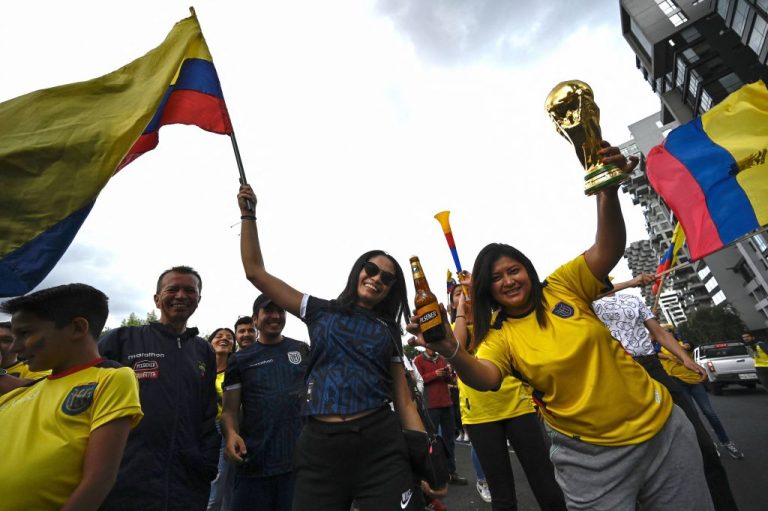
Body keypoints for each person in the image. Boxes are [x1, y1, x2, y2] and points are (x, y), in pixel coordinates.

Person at [409, 144, 715, 511]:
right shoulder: (499, 336)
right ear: (486, 289)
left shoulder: (562, 285)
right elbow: (485, 376)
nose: (508, 281)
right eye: (496, 278)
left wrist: (607, 192)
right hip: (591, 459)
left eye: (513, 270)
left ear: (528, 269)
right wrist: (450, 349)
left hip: (664, 432)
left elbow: (608, 248)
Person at [237, 184, 426, 511]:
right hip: (319, 448)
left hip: (379, 444)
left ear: (392, 290)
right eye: (371, 269)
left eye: (387, 278)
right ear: (358, 271)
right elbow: (255, 272)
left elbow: (405, 399)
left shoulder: (388, 329)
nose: (377, 278)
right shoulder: (318, 309)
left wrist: (426, 456)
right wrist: (248, 214)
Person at [594, 278, 741, 510]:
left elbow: (660, 334)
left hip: (654, 368)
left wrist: (685, 359)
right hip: (620, 375)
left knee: (700, 441)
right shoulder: (585, 303)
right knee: (636, 453)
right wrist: (635, 280)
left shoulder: (633, 300)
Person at [0, 283, 143, 511]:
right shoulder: (17, 393)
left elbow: (98, 479)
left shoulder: (111, 378)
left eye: (25, 333)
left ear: (77, 328)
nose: (14, 347)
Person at [99, 265, 219, 511]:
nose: (181, 295)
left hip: (187, 482)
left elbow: (208, 411)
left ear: (198, 299)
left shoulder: (203, 350)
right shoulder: (121, 339)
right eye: (172, 289)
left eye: (189, 290)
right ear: (157, 299)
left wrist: (207, 462)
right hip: (126, 479)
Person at [452, 275, 566, 511]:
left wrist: (478, 290)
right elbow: (455, 351)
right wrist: (462, 312)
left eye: (467, 290)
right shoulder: (454, 328)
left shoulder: (497, 321)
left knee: (547, 484)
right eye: (457, 294)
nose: (464, 295)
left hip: (518, 407)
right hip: (480, 416)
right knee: (502, 495)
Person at [221, 294, 310, 511]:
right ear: (255, 319)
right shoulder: (239, 359)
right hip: (254, 463)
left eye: (280, 311)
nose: (275, 316)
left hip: (298, 464)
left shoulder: (301, 349)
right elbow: (229, 411)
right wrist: (231, 434)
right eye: (268, 311)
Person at [656, 332, 744, 459]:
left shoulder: (682, 345)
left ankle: (726, 442)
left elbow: (689, 345)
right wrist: (668, 357)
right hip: (678, 383)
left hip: (695, 381)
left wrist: (683, 348)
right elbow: (653, 353)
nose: (666, 335)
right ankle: (709, 444)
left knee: (709, 412)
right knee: (693, 416)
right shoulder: (660, 348)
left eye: (669, 333)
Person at [413, 346, 468, 486]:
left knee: (450, 440)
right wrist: (435, 374)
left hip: (447, 403)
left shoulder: (442, 359)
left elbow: (451, 381)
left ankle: (451, 473)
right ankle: (433, 476)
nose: (431, 345)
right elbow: (418, 380)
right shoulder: (418, 360)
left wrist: (447, 374)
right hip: (431, 405)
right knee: (432, 441)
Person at [208, 327, 237, 511]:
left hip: (224, 430)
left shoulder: (235, 372)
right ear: (210, 342)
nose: (224, 339)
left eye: (229, 337)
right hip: (200, 429)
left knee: (220, 484)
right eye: (219, 336)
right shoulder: (200, 368)